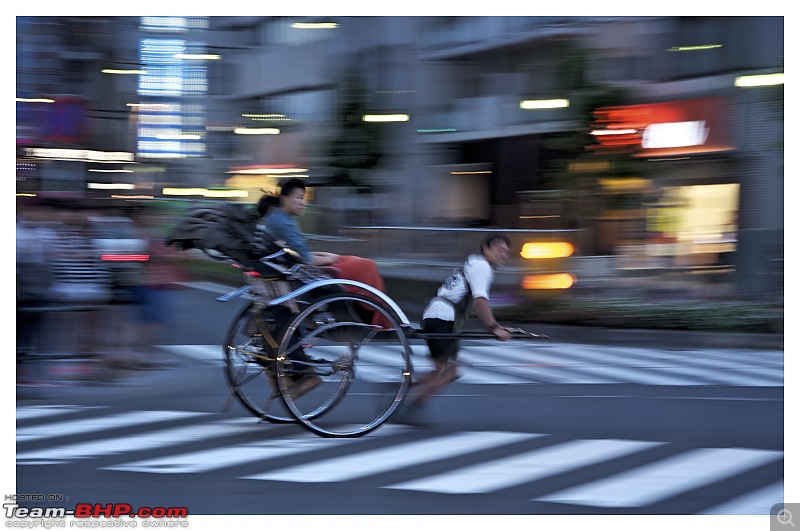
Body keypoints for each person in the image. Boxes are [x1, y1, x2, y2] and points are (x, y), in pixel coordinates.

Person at [398, 234, 513, 424]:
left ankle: (403, 388)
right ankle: (412, 405)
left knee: (440, 369)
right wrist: (494, 327)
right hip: (442, 317)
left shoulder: (474, 263)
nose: (504, 255)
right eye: (500, 250)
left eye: (507, 253)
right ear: (486, 248)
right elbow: (480, 300)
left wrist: (498, 326)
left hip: (436, 315)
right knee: (454, 368)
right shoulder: (482, 266)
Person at [256, 178, 391, 328]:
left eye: (304, 198)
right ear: (285, 199)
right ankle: (375, 317)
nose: (303, 203)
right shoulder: (282, 222)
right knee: (366, 265)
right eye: (299, 198)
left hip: (299, 268)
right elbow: (306, 258)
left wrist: (326, 255)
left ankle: (372, 312)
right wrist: (327, 258)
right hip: (306, 273)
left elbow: (298, 253)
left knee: (351, 260)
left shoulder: (280, 219)